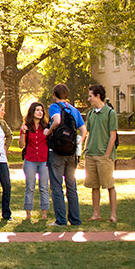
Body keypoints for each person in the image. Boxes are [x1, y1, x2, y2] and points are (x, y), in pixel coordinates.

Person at [45, 83, 88, 226]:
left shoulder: (54, 107)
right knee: (71, 186)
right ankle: (75, 219)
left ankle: (61, 220)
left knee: (57, 185)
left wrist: (48, 132)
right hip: (71, 152)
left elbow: (56, 120)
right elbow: (83, 130)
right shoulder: (74, 110)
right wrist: (78, 142)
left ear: (54, 95)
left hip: (57, 151)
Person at [84, 84, 119, 222]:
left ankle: (113, 215)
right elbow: (89, 133)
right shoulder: (91, 114)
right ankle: (96, 214)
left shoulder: (110, 113)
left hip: (104, 156)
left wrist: (106, 154)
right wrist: (85, 151)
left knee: (109, 185)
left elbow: (113, 136)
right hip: (91, 155)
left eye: (90, 96)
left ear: (98, 96)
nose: (89, 99)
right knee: (94, 186)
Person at [19, 101, 51, 221]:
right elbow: (21, 145)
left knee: (44, 187)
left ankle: (44, 212)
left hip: (44, 160)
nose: (40, 112)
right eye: (37, 110)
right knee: (30, 187)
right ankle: (28, 212)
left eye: (41, 110)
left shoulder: (46, 127)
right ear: (32, 112)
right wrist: (23, 133)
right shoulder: (27, 126)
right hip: (30, 160)